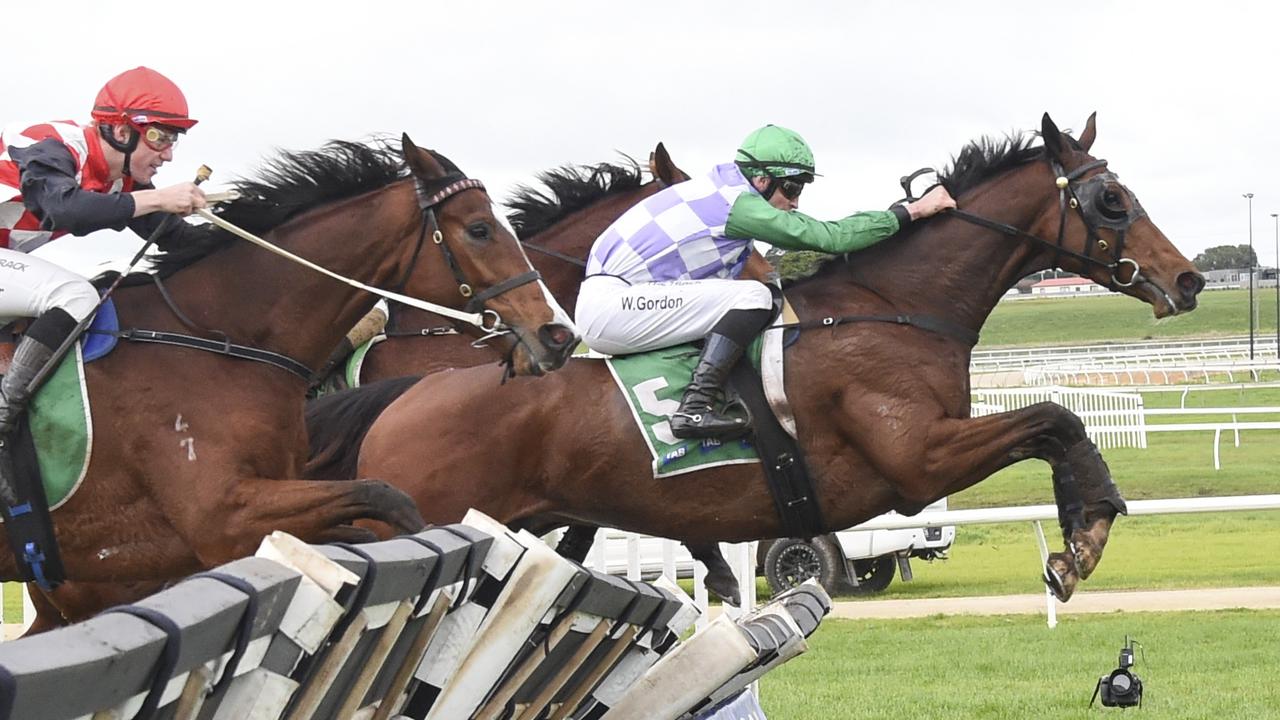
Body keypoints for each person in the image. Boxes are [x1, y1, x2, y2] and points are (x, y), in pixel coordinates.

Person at [576, 124, 956, 440]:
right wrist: (912, 211)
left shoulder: (720, 195)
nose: (795, 201)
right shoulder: (734, 203)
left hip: (622, 301)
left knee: (753, 296)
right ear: (760, 179)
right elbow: (830, 237)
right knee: (753, 297)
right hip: (615, 307)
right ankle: (695, 409)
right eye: (791, 188)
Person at [0, 66, 207, 437]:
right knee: (74, 294)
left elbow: (178, 239)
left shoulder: (120, 180)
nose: (168, 155)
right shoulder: (52, 144)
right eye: (160, 137)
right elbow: (66, 210)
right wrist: (157, 197)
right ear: (122, 131)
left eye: (174, 140)